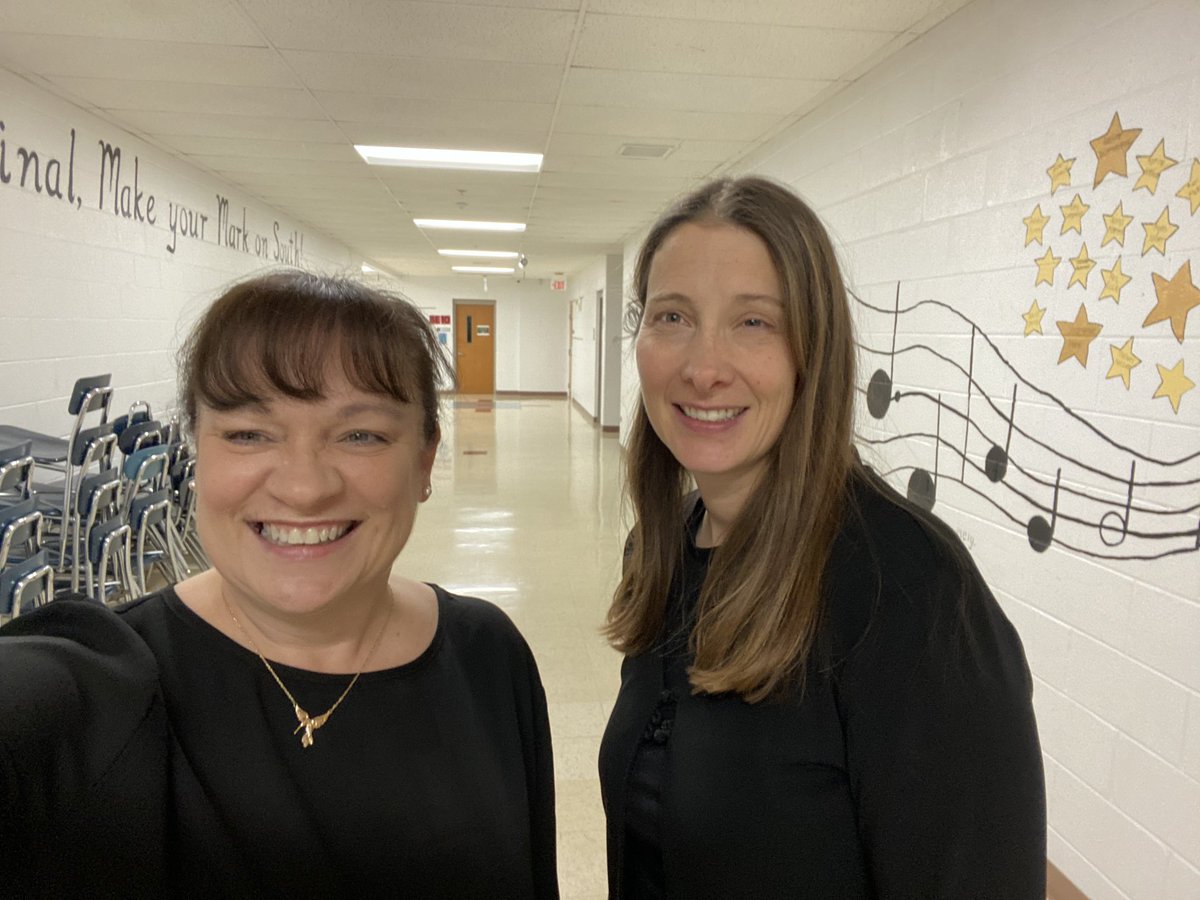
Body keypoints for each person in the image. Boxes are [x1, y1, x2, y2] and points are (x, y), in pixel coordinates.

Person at [0, 271, 558, 898]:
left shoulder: (488, 654)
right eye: (248, 434)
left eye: (360, 435)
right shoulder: (96, 688)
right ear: (198, 451)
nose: (303, 487)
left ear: (424, 461)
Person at [598, 177, 1045, 898]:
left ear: (815, 350)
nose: (703, 367)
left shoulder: (913, 596)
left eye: (754, 324)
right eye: (672, 315)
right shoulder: (664, 553)